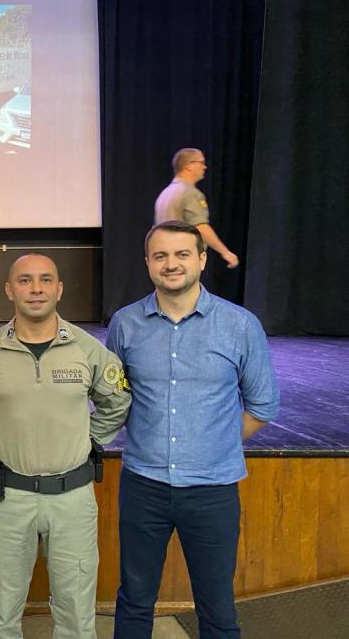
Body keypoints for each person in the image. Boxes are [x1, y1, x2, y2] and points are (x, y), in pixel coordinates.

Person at [106, 221, 279, 639]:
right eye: (160, 255)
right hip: (143, 485)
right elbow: (112, 398)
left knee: (217, 608)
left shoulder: (239, 325)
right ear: (147, 262)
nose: (171, 264)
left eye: (182, 254)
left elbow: (262, 406)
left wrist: (211, 444)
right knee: (133, 601)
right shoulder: (125, 325)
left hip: (212, 490)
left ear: (202, 260)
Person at [0, 253, 131, 639]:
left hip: (72, 499)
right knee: (0, 615)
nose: (36, 288)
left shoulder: (89, 350)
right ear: (9, 289)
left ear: (59, 288)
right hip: (8, 499)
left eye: (46, 280)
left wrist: (88, 440)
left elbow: (116, 401)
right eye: (25, 280)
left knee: (76, 616)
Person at [155, 148, 239, 268]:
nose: (204, 167)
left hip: (165, 262)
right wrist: (225, 252)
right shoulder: (190, 193)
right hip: (182, 262)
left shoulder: (165, 194)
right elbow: (201, 228)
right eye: (201, 162)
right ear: (189, 166)